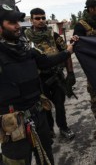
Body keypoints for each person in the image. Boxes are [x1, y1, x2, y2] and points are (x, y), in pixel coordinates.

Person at [0, 3, 77, 164]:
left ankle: (59, 128)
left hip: (37, 114)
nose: (17, 27)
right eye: (12, 23)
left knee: (46, 156)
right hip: (13, 126)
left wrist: (68, 51)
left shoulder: (26, 47)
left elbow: (45, 62)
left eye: (17, 22)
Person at [24, 8, 76, 140]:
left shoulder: (54, 36)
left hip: (56, 76)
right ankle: (49, 130)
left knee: (59, 105)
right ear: (31, 20)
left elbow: (67, 53)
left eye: (43, 18)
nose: (41, 21)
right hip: (39, 79)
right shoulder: (26, 39)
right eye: (37, 18)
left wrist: (70, 73)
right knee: (44, 107)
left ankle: (63, 128)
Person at [73, 0, 96, 139]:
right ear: (91, 9)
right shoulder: (80, 26)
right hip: (93, 70)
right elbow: (77, 48)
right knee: (95, 99)